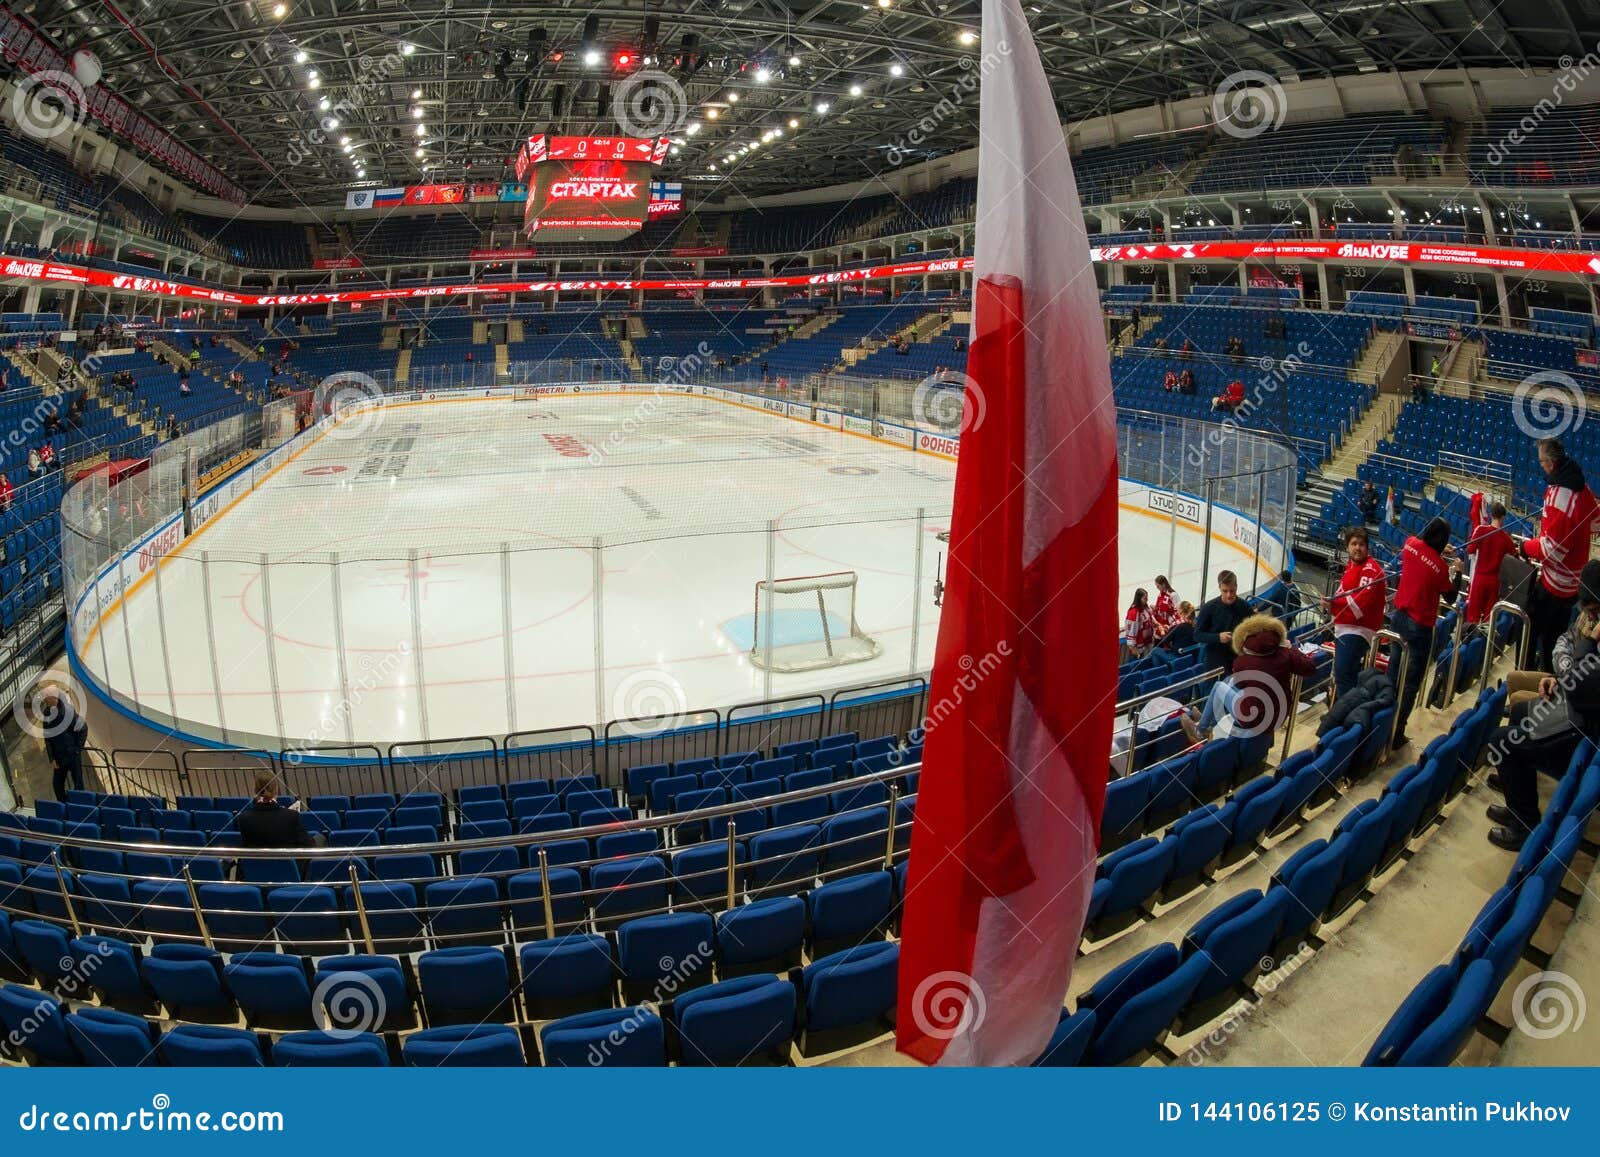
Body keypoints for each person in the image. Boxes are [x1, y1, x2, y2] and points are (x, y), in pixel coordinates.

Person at [1485, 560, 1600, 850]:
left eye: (1593, 608)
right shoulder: (1588, 615)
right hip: (1574, 707)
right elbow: (1566, 645)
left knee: (1503, 741)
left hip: (1582, 732)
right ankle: (1516, 795)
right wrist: (1562, 677)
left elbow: (1582, 680)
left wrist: (1587, 646)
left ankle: (1524, 826)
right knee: (1521, 711)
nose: (1589, 613)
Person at [1521, 437, 1600, 671]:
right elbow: (1596, 523)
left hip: (1556, 585)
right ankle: (1546, 672)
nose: (1540, 465)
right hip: (1572, 586)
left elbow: (1551, 551)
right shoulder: (1581, 487)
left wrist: (1525, 548)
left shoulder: (1559, 497)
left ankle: (1531, 675)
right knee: (1555, 635)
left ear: (1551, 464)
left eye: (1542, 461)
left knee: (1534, 632)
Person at [1388, 516, 1465, 747]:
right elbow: (1451, 597)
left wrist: (1438, 549)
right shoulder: (1441, 568)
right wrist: (1458, 571)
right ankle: (1397, 731)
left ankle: (1383, 724)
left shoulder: (1410, 544)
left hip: (1398, 618)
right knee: (1411, 682)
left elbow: (1422, 549)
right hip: (1419, 627)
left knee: (1393, 675)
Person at [1324, 527, 1388, 697]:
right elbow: (1343, 593)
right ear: (1347, 547)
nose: (1357, 548)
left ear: (1367, 548)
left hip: (1357, 630)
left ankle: (1346, 717)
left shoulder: (1370, 569)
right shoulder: (1352, 566)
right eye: (1354, 544)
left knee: (1344, 675)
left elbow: (1359, 607)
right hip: (1347, 627)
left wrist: (1332, 605)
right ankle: (1339, 712)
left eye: (1361, 544)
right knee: (1345, 675)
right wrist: (1332, 603)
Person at [1463, 493, 1516, 627]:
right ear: (1503, 517)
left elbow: (1470, 550)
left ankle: (1469, 640)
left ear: (1491, 515)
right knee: (1488, 619)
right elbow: (1515, 557)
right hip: (1495, 582)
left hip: (1480, 578)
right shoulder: (1506, 539)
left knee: (1473, 616)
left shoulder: (1480, 530)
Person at [1194, 570, 1251, 674]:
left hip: (1238, 661)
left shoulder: (1245, 606)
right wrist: (1218, 637)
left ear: (1236, 587)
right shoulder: (1208, 608)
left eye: (1232, 590)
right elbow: (1197, 635)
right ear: (1219, 588)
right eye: (1225, 591)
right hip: (1215, 663)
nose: (1229, 595)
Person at [237, 770, 312, 849]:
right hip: (285, 860)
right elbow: (307, 846)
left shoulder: (243, 818)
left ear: (255, 790)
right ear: (276, 789)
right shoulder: (291, 816)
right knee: (320, 838)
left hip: (256, 861)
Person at [41, 685, 88, 802]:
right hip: (59, 757)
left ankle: (80, 806)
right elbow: (47, 738)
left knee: (78, 783)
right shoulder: (47, 714)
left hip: (72, 755)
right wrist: (52, 758)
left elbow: (83, 728)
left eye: (46, 697)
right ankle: (64, 805)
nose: (44, 700)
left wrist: (77, 749)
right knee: (57, 784)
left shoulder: (67, 711)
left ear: (53, 698)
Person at [1122, 588, 1154, 659]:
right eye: (1145, 598)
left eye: (1147, 598)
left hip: (1147, 644)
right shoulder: (1134, 613)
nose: (1147, 600)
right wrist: (1133, 649)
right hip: (1139, 649)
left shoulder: (1145, 608)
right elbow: (1131, 632)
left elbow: (1149, 619)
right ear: (1139, 599)